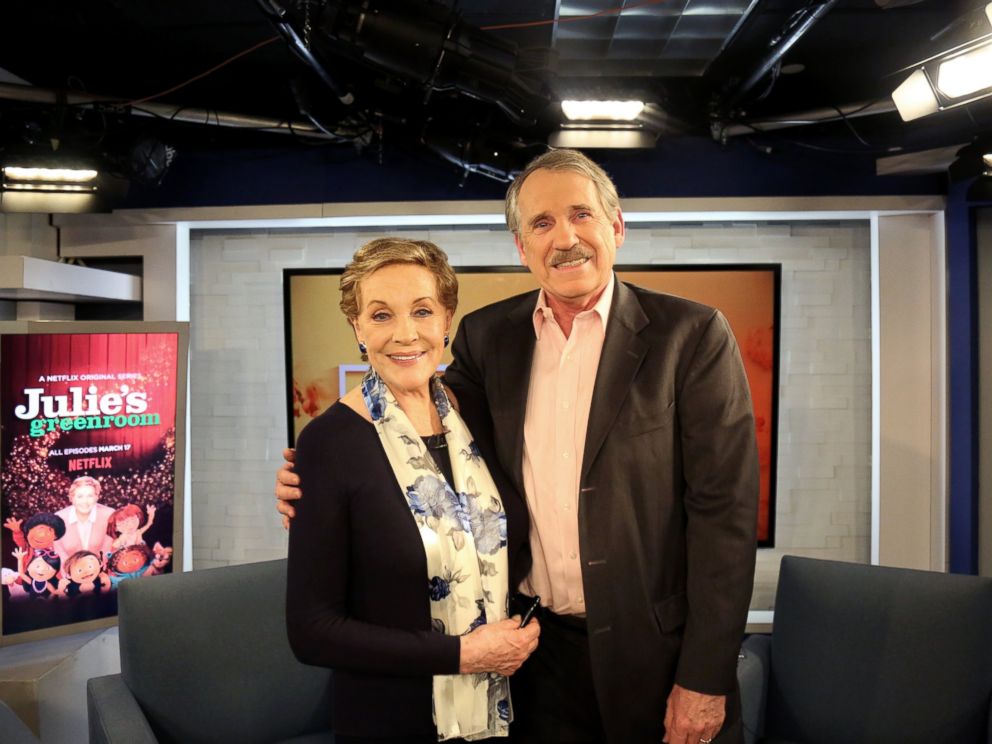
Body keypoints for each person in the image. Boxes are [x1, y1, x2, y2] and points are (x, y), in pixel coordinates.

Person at [278, 150, 759, 744]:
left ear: (616, 226)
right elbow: (414, 427)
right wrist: (313, 475)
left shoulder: (691, 336)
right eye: (541, 223)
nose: (565, 238)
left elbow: (724, 518)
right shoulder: (489, 337)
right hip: (533, 660)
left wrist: (704, 678)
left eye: (581, 214)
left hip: (654, 657)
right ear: (521, 246)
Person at [285, 238, 540, 744]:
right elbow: (312, 631)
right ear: (357, 327)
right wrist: (463, 654)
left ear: (447, 319)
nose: (405, 334)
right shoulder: (328, 443)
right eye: (381, 316)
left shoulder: (477, 415)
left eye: (422, 311)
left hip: (508, 707)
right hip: (394, 720)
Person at [54, 476, 115, 562]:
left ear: (97, 497)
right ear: (72, 498)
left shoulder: (108, 515)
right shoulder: (59, 518)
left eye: (90, 496)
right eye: (80, 496)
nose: (85, 502)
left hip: (101, 570)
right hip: (69, 572)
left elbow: (108, 550)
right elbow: (60, 553)